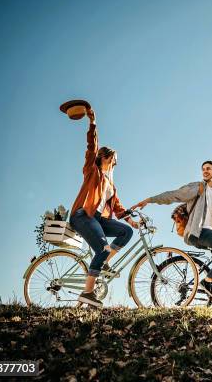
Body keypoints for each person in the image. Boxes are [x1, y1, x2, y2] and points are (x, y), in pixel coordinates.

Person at [132, 160, 212, 299]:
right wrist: (150, 199)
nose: (205, 171)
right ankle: (208, 281)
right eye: (203, 169)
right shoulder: (198, 187)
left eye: (208, 168)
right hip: (197, 233)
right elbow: (174, 195)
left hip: (209, 233)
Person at [69, 107, 139, 308]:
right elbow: (91, 147)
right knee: (102, 249)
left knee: (125, 232)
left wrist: (131, 221)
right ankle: (87, 293)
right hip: (83, 215)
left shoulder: (110, 183)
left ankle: (104, 260)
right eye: (113, 159)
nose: (115, 163)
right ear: (105, 157)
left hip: (97, 219)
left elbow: (117, 207)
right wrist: (92, 124)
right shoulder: (92, 171)